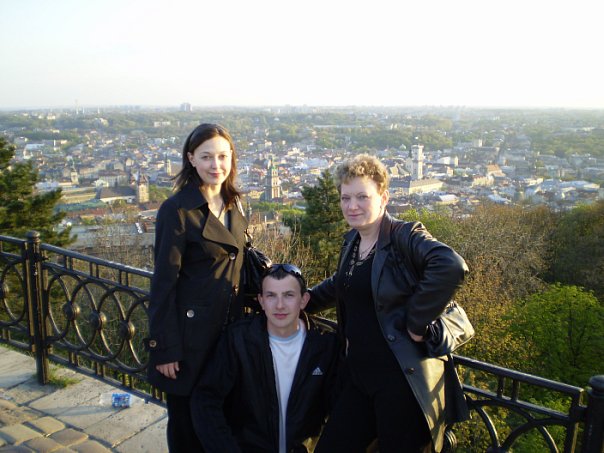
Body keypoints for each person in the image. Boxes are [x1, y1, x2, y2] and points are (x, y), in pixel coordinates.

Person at [309, 154, 469, 453]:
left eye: (362, 197)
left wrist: (417, 322)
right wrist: (301, 300)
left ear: (383, 198)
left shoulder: (404, 235)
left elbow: (450, 265)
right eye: (345, 198)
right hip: (360, 377)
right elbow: (342, 283)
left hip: (402, 382)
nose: (352, 206)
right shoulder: (353, 241)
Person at [145, 123, 249, 452]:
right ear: (191, 159)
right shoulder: (176, 210)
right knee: (187, 429)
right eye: (206, 157)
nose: (216, 165)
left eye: (222, 156)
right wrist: (165, 349)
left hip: (228, 336)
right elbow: (163, 283)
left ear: (232, 158)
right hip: (190, 341)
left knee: (223, 425)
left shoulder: (235, 204)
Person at [191, 264, 339, 453]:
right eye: (271, 296)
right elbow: (206, 399)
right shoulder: (238, 340)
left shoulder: (326, 347)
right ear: (261, 301)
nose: (280, 305)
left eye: (289, 295)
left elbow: (342, 411)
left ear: (304, 300)